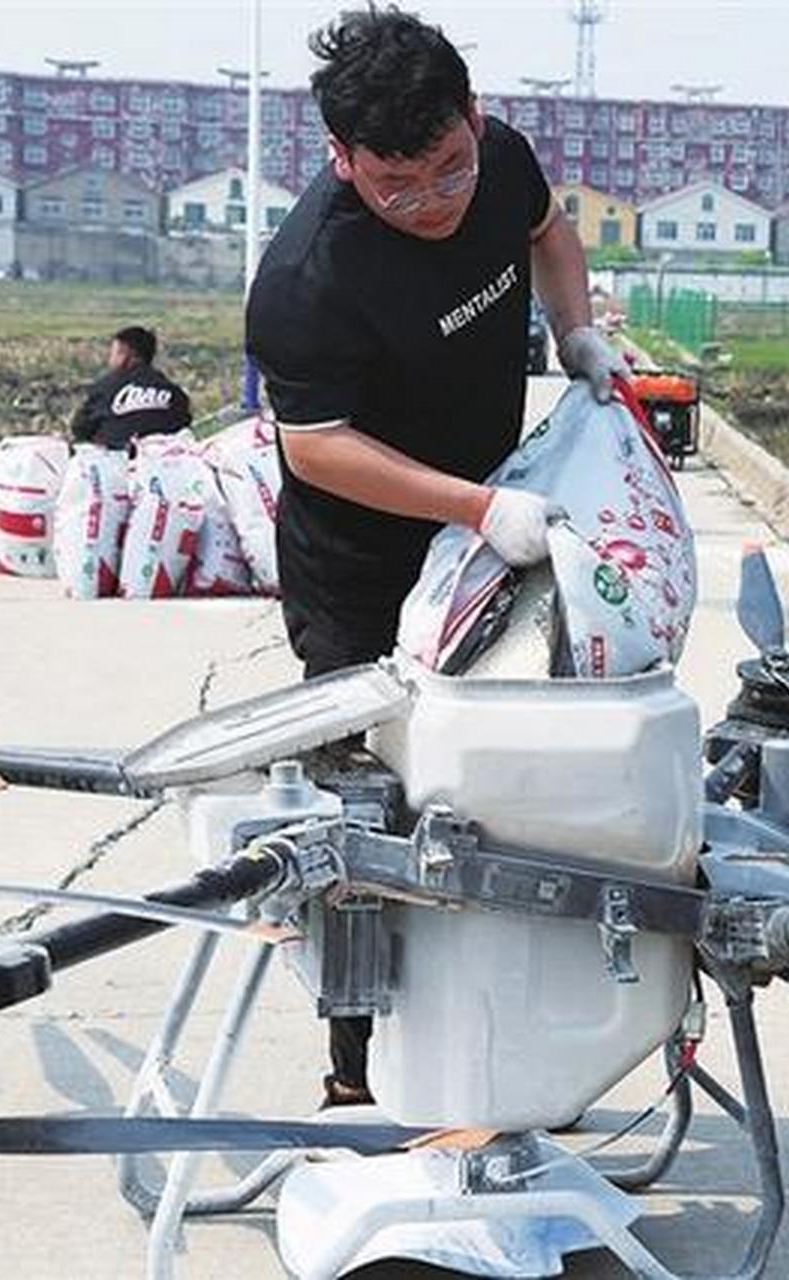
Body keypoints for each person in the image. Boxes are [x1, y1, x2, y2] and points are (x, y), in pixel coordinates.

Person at [244, 6, 628, 1106]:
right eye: (395, 185)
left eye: (448, 170)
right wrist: (471, 506)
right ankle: (353, 1072)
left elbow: (547, 229)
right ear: (341, 159)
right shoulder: (309, 276)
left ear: (474, 120)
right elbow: (316, 450)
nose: (432, 202)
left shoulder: (499, 163)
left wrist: (573, 329)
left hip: (487, 539)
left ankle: (511, 1042)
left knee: (499, 783)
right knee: (368, 816)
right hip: (361, 569)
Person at [67, 325, 192, 451]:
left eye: (114, 353)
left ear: (126, 354)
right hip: (164, 463)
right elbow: (183, 424)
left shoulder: (104, 388)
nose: (110, 359)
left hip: (115, 464)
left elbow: (80, 428)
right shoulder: (174, 393)